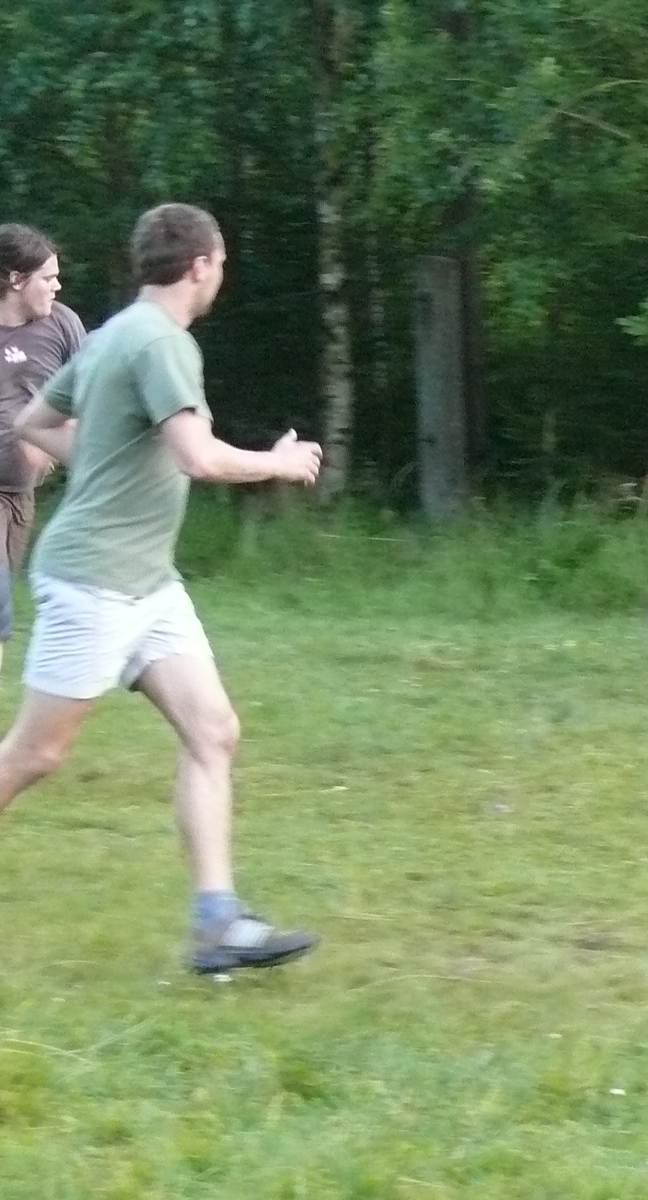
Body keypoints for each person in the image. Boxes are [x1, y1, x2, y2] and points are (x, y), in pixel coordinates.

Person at [2, 203, 324, 974]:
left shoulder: (115, 332)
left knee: (213, 731)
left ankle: (217, 924)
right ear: (201, 265)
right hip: (95, 579)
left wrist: (102, 460)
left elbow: (36, 420)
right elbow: (197, 457)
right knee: (36, 753)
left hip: (148, 581)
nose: (221, 276)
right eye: (222, 264)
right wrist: (280, 463)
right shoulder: (161, 343)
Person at [0, 224, 86, 672]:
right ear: (16, 279)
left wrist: (52, 445)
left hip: (20, 495)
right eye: (48, 277)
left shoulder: (63, 324)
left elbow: (88, 398)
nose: (57, 286)